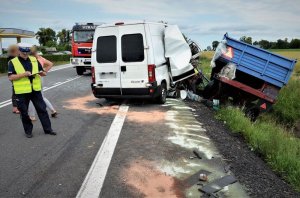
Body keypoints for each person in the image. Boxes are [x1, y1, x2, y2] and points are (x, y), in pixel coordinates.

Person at [8, 43, 56, 138]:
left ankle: (48, 129)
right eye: (23, 52)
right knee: (24, 112)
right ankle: (28, 131)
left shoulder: (34, 60)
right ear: (19, 51)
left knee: (42, 109)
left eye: (27, 52)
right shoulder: (13, 62)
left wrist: (43, 73)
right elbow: (10, 77)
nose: (25, 54)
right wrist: (23, 74)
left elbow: (41, 71)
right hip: (22, 92)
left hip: (35, 90)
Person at [28, 46, 58, 121]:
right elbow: (50, 64)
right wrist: (45, 71)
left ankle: (32, 116)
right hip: (41, 78)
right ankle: (53, 110)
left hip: (33, 79)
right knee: (41, 96)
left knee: (31, 98)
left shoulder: (30, 59)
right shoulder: (41, 58)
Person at [7, 44, 20, 114]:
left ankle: (16, 106)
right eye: (17, 51)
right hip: (14, 76)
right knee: (15, 91)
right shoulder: (11, 60)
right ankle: (15, 108)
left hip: (15, 76)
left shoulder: (12, 58)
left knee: (15, 91)